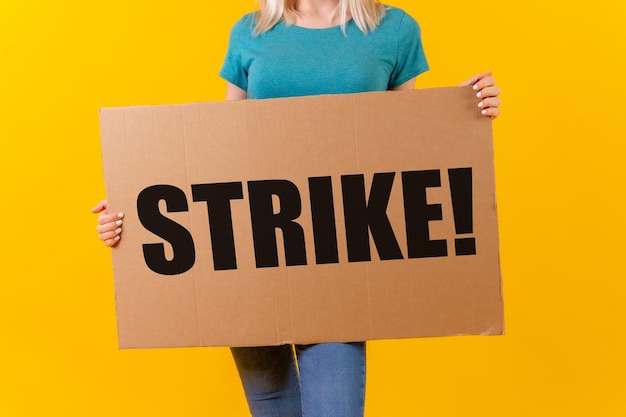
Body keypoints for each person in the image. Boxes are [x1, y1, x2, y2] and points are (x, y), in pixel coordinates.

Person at [93, 1, 501, 416]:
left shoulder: (393, 29)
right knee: (270, 405)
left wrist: (463, 111)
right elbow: (217, 148)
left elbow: (402, 145)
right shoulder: (250, 32)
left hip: (338, 257)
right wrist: (134, 204)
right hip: (250, 254)